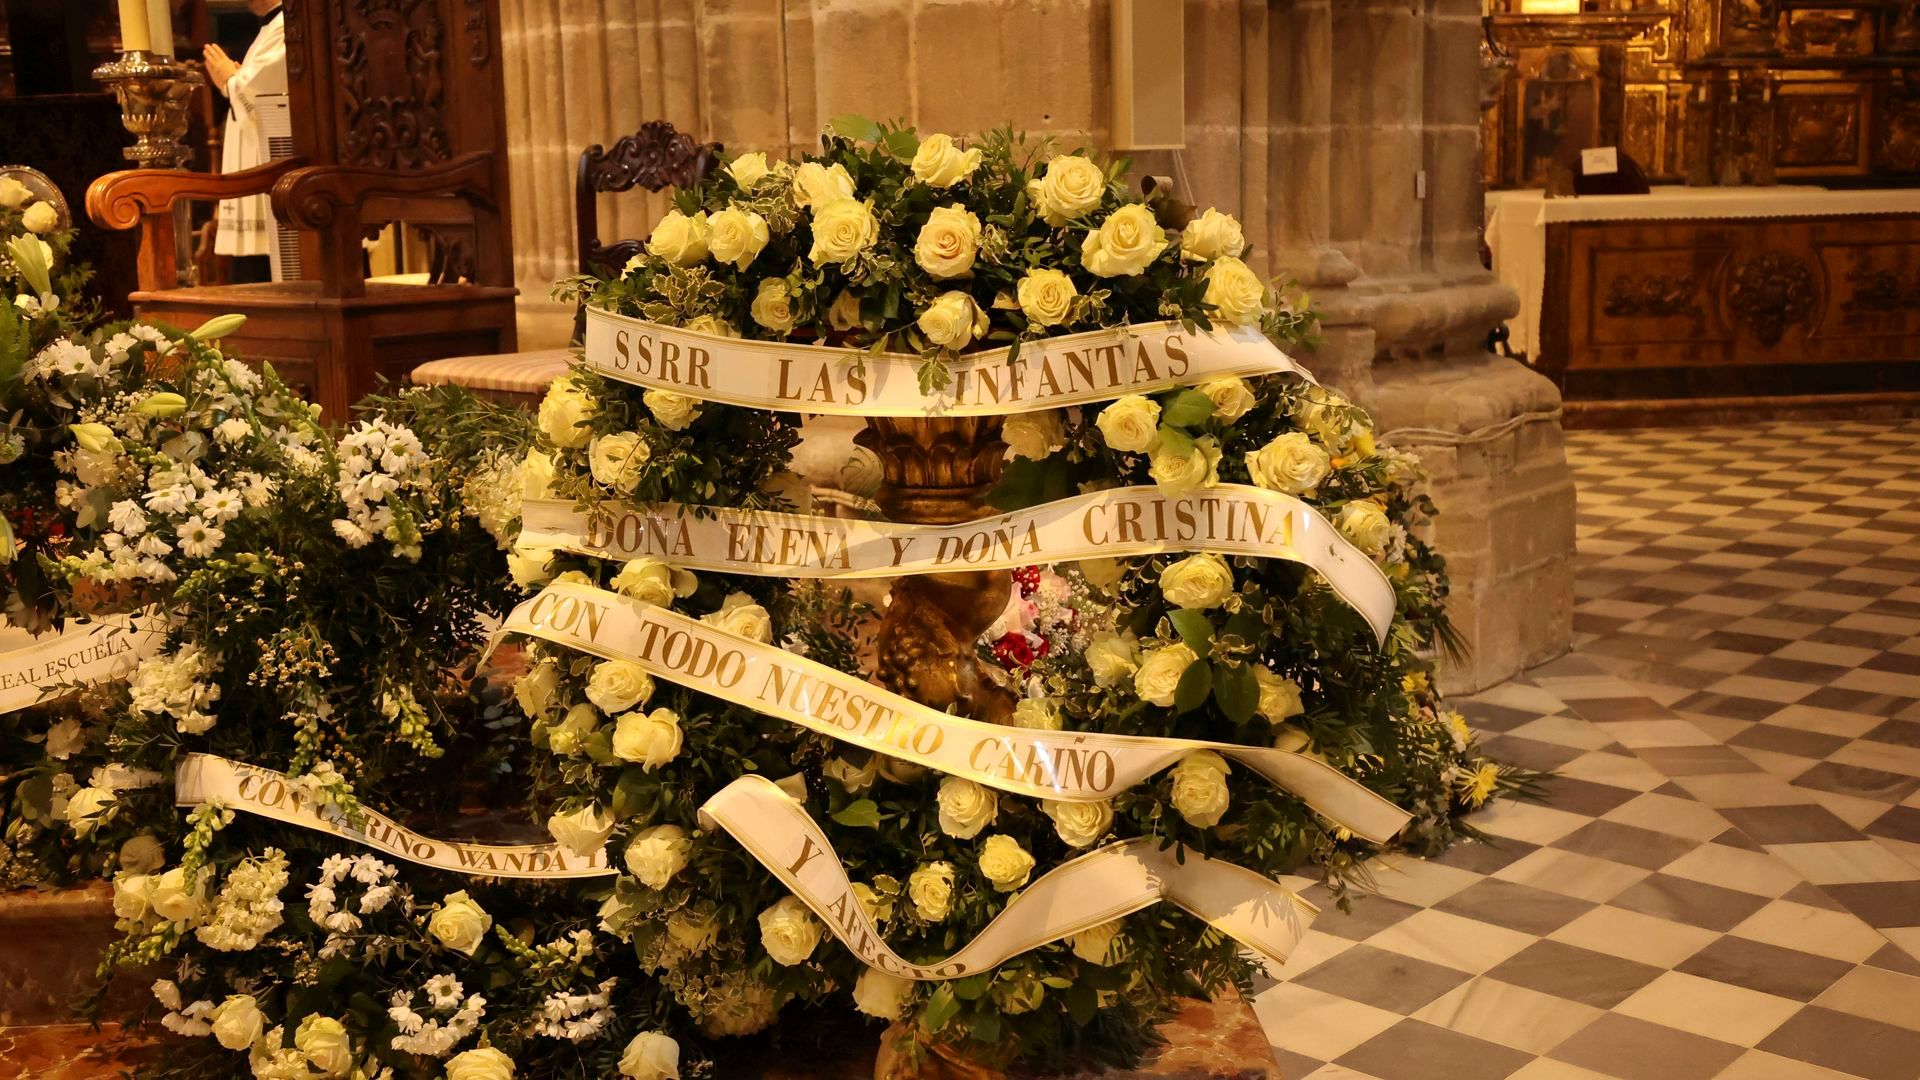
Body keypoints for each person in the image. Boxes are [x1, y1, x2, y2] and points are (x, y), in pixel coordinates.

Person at [203, 1, 286, 284]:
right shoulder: (271, 28)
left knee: (265, 272)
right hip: (255, 164)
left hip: (270, 170)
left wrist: (230, 79)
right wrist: (236, 78)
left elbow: (261, 87)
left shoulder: (289, 26)